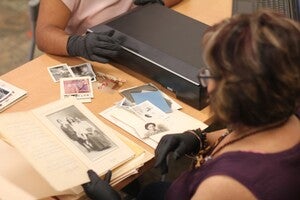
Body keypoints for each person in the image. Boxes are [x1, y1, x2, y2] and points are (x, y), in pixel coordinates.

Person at [81, 10, 300, 200]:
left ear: (236, 93)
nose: (205, 81)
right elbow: (248, 138)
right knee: (154, 190)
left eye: (209, 73)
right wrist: (200, 138)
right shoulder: (287, 115)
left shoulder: (225, 185)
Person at [35, 0, 182, 63]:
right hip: (92, 55)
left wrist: (158, 1)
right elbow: (44, 33)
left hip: (140, 40)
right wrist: (78, 44)